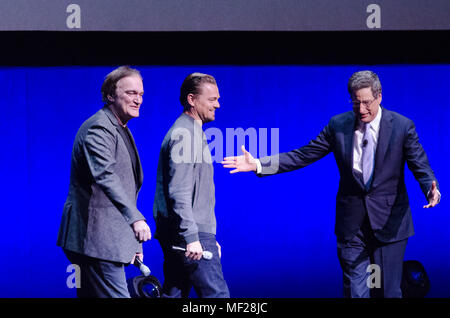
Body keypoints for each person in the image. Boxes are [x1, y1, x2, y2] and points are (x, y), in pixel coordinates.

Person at [221, 70, 441, 298]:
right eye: (356, 103)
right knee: (356, 292)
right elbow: (304, 154)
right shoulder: (338, 125)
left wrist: (430, 190)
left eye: (366, 103)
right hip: (352, 226)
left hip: (389, 223)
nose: (362, 109)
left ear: (379, 97)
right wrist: (258, 164)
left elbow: (420, 165)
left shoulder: (402, 127)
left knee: (387, 292)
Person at [57, 66, 151, 298]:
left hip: (107, 240)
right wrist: (136, 219)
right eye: (130, 93)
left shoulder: (120, 128)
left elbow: (127, 190)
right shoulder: (99, 128)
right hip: (95, 240)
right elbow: (106, 176)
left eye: (140, 94)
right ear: (110, 95)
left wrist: (132, 244)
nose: (137, 99)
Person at [153, 72, 230, 298]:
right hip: (190, 233)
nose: (218, 104)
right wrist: (194, 238)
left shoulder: (191, 132)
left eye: (217, 98)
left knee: (175, 294)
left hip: (187, 233)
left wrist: (207, 237)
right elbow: (179, 191)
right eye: (212, 99)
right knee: (218, 297)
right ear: (192, 100)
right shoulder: (185, 134)